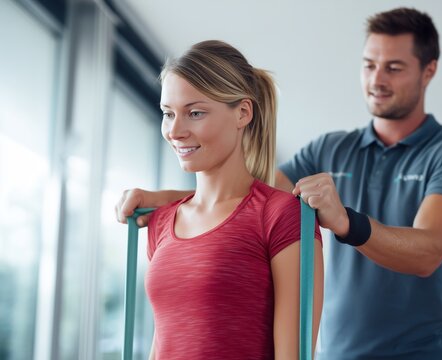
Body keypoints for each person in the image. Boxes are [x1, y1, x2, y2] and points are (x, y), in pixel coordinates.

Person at [116, 8, 442, 360]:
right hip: (338, 353)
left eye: (394, 68)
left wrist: (345, 222)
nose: (377, 79)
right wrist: (164, 201)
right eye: (369, 65)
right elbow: (244, 198)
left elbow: (428, 252)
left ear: (429, 70)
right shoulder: (329, 149)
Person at [131, 40, 324, 360]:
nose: (175, 131)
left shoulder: (283, 216)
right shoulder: (162, 222)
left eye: (194, 113)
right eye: (168, 114)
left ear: (243, 113)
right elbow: (162, 344)